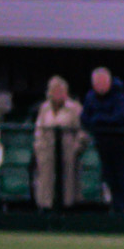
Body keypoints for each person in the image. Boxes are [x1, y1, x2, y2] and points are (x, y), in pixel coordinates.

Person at [80, 67, 124, 215]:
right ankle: (116, 212)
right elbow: (85, 119)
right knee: (110, 180)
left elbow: (121, 118)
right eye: (97, 83)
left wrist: (99, 120)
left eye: (102, 82)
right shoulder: (90, 97)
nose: (100, 86)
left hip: (121, 146)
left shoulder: (119, 97)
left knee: (123, 180)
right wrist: (98, 122)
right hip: (102, 145)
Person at [32, 77, 83, 211]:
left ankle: (67, 209)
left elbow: (82, 132)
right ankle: (46, 209)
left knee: (68, 182)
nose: (58, 94)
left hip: (67, 151)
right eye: (55, 90)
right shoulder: (44, 108)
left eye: (61, 91)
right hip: (47, 150)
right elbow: (39, 129)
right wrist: (39, 146)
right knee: (45, 180)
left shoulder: (75, 108)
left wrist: (75, 148)